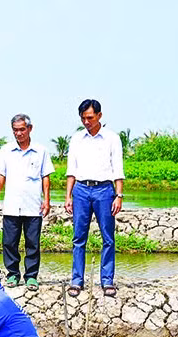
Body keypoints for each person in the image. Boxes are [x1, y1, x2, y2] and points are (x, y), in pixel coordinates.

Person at [64, 99, 125, 297]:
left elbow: (118, 169)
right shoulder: (76, 139)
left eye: (90, 117)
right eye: (83, 118)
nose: (86, 121)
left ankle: (107, 281)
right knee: (78, 238)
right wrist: (68, 196)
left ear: (99, 115)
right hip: (81, 190)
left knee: (108, 238)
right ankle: (76, 280)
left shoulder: (111, 138)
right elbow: (71, 170)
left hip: (104, 191)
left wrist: (119, 195)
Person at [0, 114, 54, 291]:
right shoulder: (6, 150)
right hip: (11, 205)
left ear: (30, 129)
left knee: (32, 242)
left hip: (33, 205)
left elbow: (45, 177)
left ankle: (31, 276)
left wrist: (47, 200)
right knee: (9, 242)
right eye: (15, 130)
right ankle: (12, 274)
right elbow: (0, 175)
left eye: (22, 129)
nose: (19, 133)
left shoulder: (41, 151)